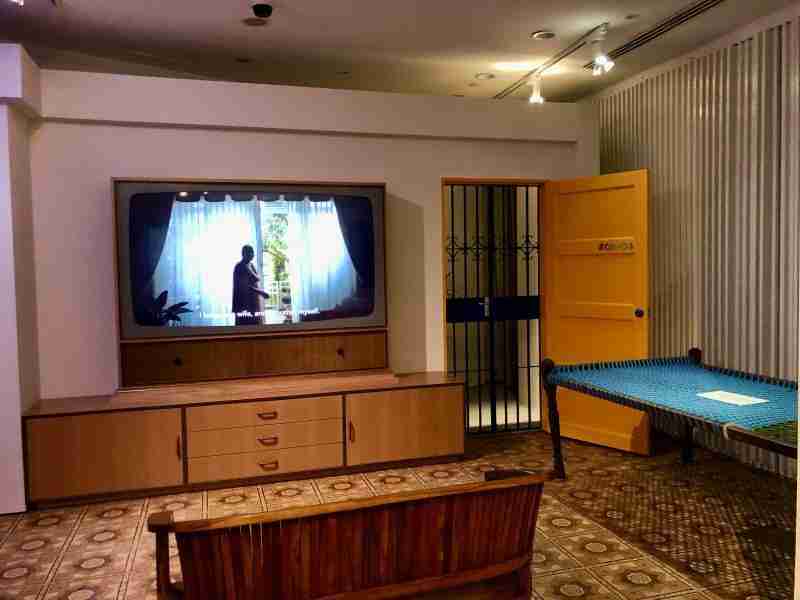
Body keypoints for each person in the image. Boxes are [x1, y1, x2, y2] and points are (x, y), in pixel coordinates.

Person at [232, 245, 269, 325]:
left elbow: (256, 278)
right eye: (249, 252)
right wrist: (261, 292)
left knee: (255, 324)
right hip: (244, 302)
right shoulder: (239, 266)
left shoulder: (251, 265)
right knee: (245, 325)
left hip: (252, 300)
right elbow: (245, 286)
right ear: (243, 254)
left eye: (252, 252)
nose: (252, 255)